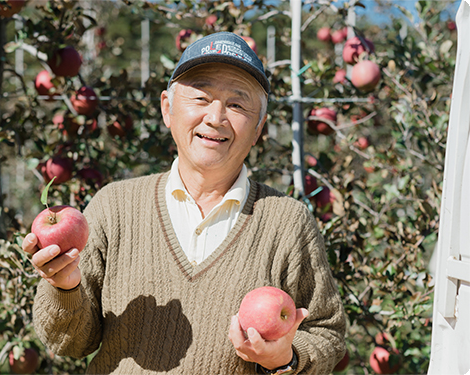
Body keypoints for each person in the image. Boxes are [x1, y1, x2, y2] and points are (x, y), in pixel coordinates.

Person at [23, 31, 346, 374]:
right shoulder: (114, 207)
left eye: (237, 104)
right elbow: (70, 344)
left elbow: (327, 334)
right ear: (168, 109)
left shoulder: (286, 222)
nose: (216, 117)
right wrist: (65, 287)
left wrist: (285, 359)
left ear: (258, 128)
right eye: (201, 98)